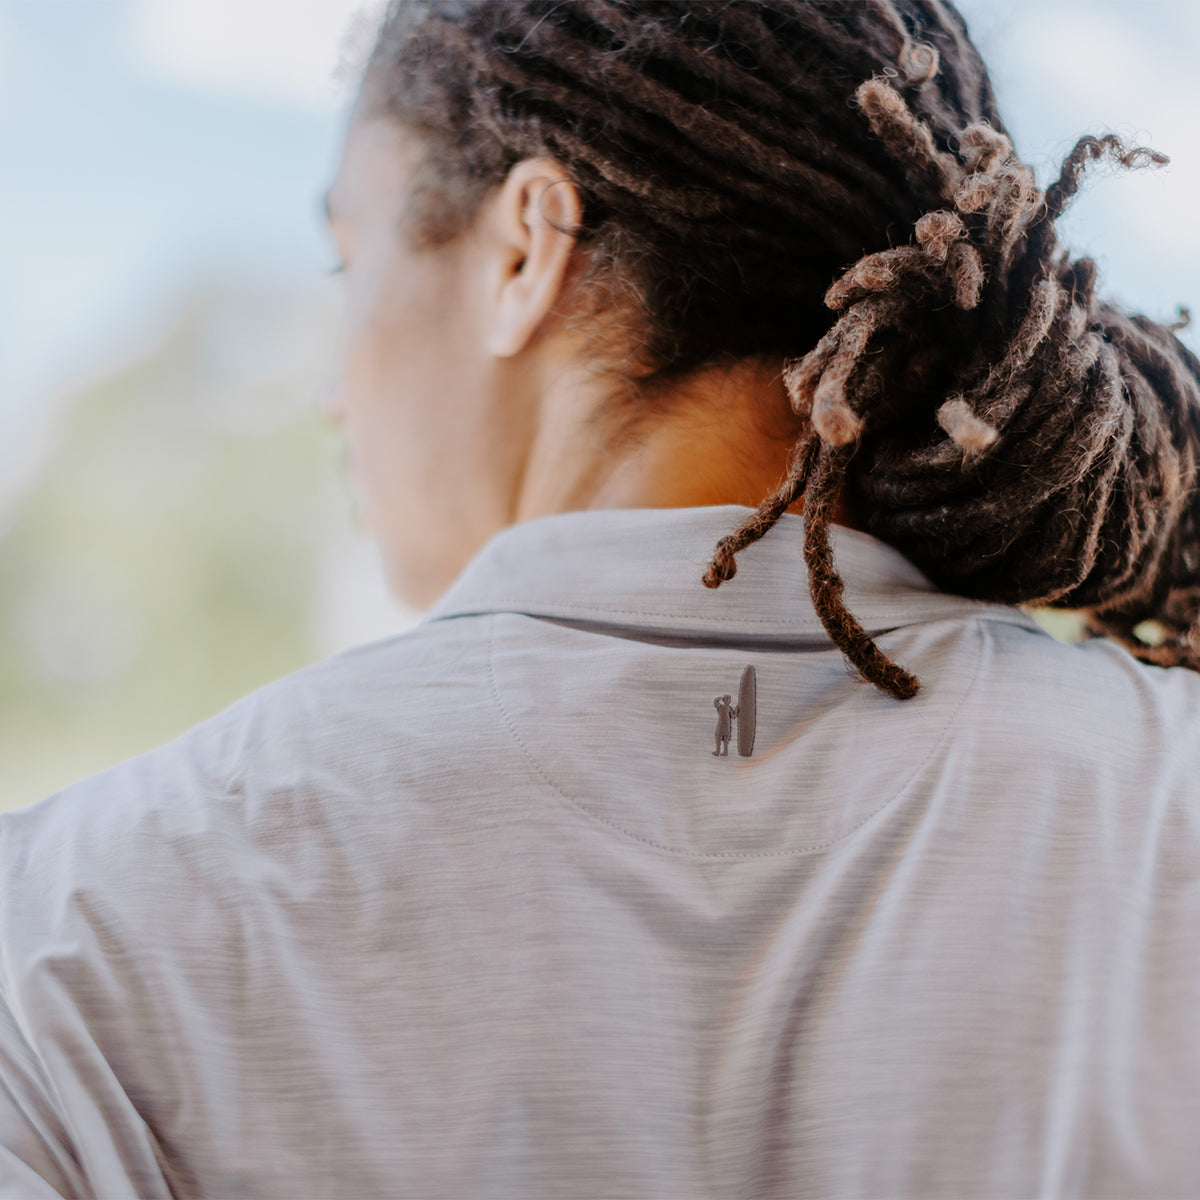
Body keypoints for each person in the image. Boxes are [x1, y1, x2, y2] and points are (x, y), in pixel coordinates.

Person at [3, 0, 1200, 1195]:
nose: (331, 390)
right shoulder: (1168, 802)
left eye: (346, 259)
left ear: (525, 249)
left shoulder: (66, 925)